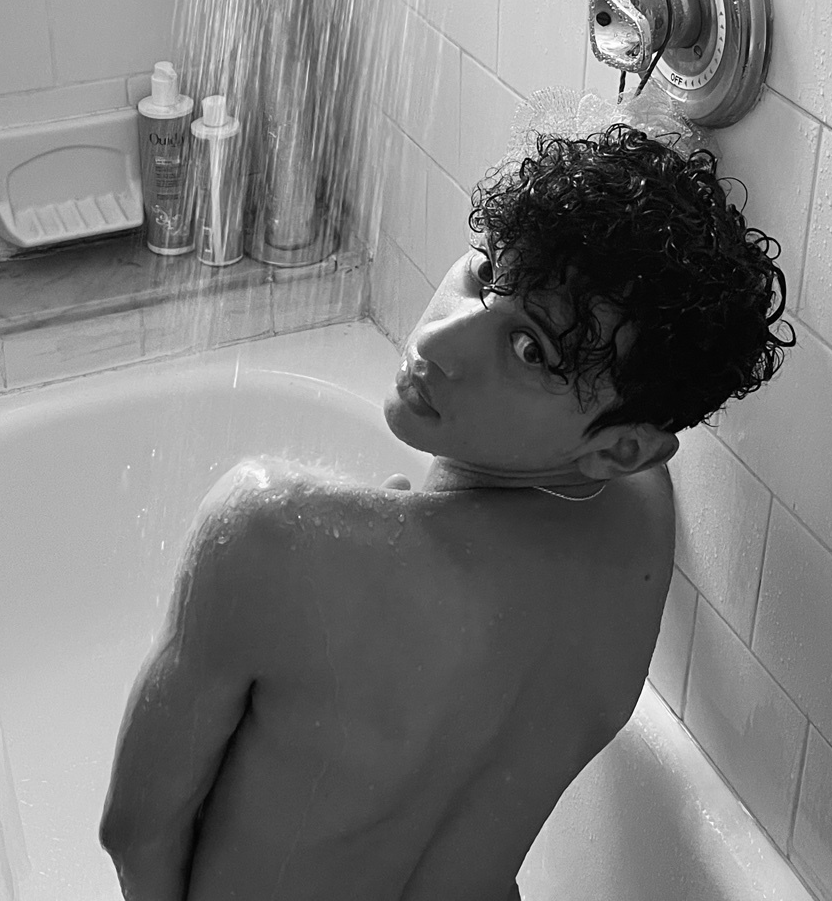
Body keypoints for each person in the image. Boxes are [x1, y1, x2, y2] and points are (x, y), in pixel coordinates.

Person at [99, 122, 791, 901]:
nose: (441, 339)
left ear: (618, 447)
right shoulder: (640, 516)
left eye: (529, 349)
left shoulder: (272, 535)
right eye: (486, 271)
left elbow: (136, 835)